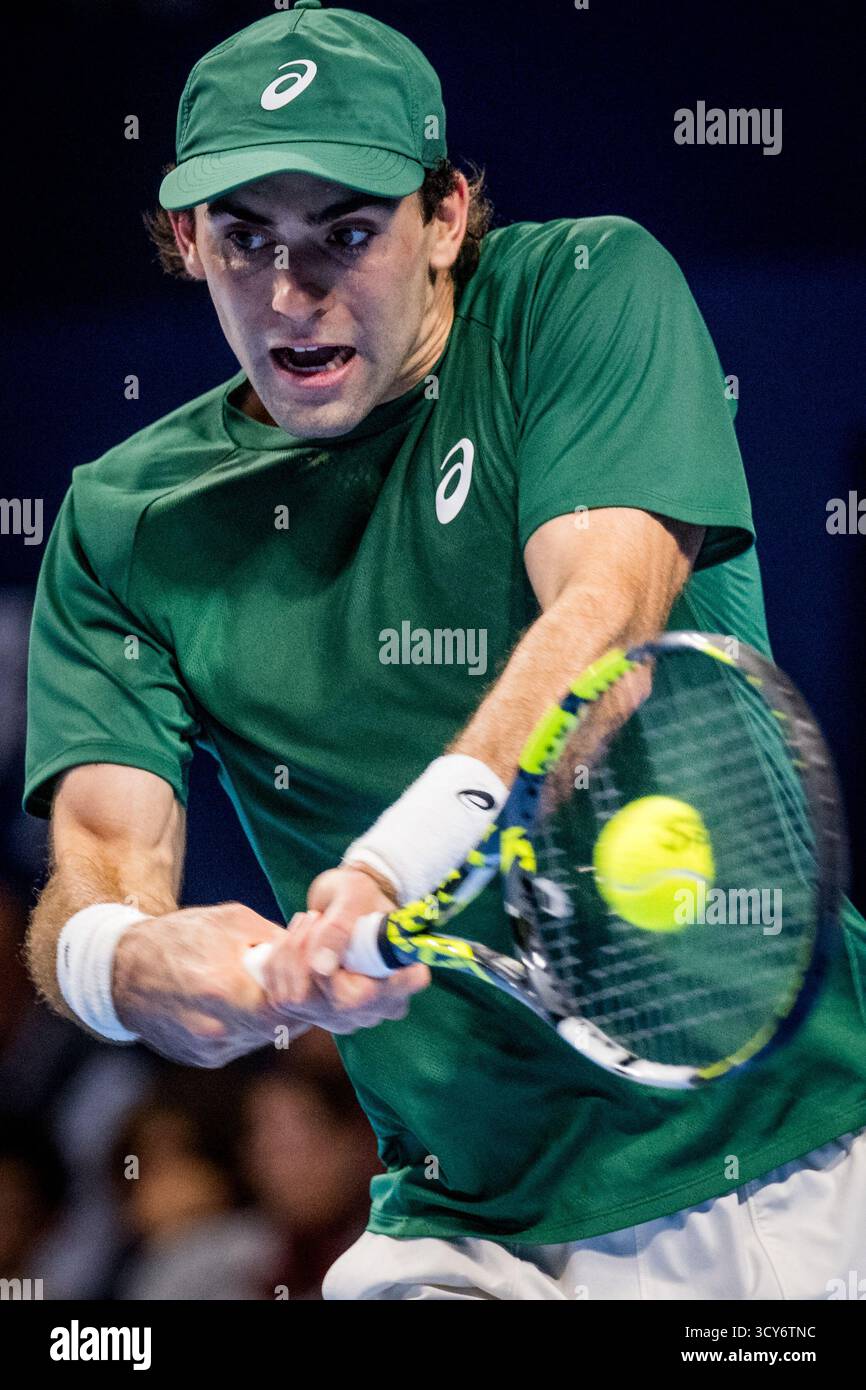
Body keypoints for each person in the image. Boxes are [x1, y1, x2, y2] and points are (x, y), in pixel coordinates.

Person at [24, 2, 866, 1299]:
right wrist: (136, 964)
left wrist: (390, 860)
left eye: (345, 234)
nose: (293, 295)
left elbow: (602, 629)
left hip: (777, 1162)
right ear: (187, 241)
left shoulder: (578, 294)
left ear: (449, 216)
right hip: (454, 1205)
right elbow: (96, 871)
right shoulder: (121, 521)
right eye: (246, 239)